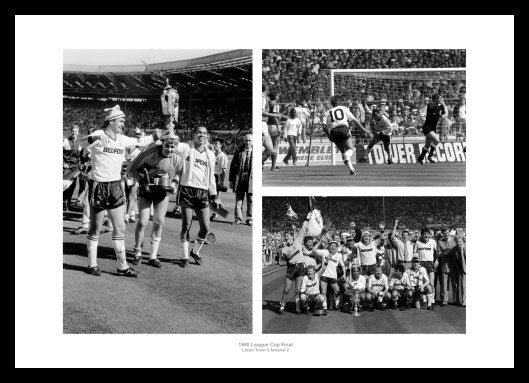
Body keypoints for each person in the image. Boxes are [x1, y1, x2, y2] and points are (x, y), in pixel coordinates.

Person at [78, 105, 160, 277]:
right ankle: (92, 264)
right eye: (121, 121)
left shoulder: (122, 139)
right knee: (95, 228)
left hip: (116, 187)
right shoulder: (99, 135)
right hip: (99, 186)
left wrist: (155, 136)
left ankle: (122, 265)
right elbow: (81, 143)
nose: (123, 124)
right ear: (112, 121)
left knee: (120, 227)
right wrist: (90, 140)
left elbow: (139, 141)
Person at [127, 131, 182, 268]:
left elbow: (180, 172)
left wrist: (174, 183)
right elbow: (131, 169)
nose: (169, 149)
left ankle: (153, 256)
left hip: (162, 191)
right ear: (162, 143)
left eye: (173, 147)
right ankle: (137, 252)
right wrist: (144, 182)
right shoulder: (148, 152)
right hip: (146, 190)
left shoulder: (177, 157)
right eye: (167, 146)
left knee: (159, 222)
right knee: (143, 221)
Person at [175, 126, 220, 267]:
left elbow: (211, 176)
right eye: (199, 133)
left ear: (207, 136)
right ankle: (184, 256)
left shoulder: (211, 155)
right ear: (194, 135)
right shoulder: (186, 148)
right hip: (187, 190)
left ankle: (195, 251)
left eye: (205, 133)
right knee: (186, 225)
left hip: (202, 192)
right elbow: (173, 142)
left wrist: (215, 195)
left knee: (205, 228)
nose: (202, 135)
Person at [322, 95, 371, 175]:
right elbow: (354, 119)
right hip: (343, 129)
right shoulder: (344, 108)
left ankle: (352, 170)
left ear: (332, 103)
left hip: (333, 132)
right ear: (339, 102)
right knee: (350, 150)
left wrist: (329, 137)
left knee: (343, 152)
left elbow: (324, 126)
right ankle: (347, 157)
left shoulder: (327, 112)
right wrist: (362, 129)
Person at [278, 217, 311, 315]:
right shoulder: (283, 249)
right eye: (285, 237)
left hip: (300, 268)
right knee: (287, 289)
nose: (286, 238)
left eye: (288, 236)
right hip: (291, 269)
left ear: (292, 237)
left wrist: (306, 219)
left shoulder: (298, 241)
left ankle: (297, 309)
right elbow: (280, 263)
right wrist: (288, 262)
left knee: (298, 290)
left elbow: (302, 229)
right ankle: (282, 306)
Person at [310, 239, 346, 313]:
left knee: (337, 291)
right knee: (323, 292)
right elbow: (313, 250)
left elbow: (342, 266)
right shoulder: (324, 252)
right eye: (331, 245)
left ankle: (337, 306)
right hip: (324, 275)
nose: (332, 247)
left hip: (333, 276)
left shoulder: (338, 255)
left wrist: (344, 274)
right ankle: (324, 307)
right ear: (329, 246)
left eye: (334, 246)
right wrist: (320, 241)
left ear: (337, 248)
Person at [417, 94, 448, 164]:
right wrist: (439, 102)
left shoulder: (441, 106)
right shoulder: (430, 105)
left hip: (433, 128)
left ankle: (420, 158)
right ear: (434, 99)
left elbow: (445, 114)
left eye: (441, 98)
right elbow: (433, 105)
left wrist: (443, 114)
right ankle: (430, 156)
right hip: (427, 127)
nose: (440, 99)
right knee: (437, 140)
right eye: (438, 98)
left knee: (427, 145)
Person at [229, 134, 253, 225]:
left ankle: (250, 218)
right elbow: (232, 167)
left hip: (251, 180)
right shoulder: (238, 152)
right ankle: (238, 218)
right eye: (246, 140)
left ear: (252, 142)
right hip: (239, 180)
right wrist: (231, 180)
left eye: (249, 141)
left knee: (251, 200)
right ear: (244, 141)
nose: (247, 142)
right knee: (239, 200)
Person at [414, 227, 438, 308]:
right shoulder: (417, 242)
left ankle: (432, 300)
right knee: (422, 283)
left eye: (427, 234)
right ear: (422, 235)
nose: (426, 235)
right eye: (424, 234)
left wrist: (437, 261)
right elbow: (415, 253)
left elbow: (436, 253)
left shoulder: (433, 242)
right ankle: (424, 300)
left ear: (429, 235)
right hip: (421, 264)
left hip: (430, 263)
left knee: (431, 283)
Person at [63, 125, 82, 210]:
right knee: (66, 185)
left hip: (76, 167)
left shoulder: (81, 142)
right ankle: (65, 203)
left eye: (76, 131)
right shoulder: (65, 140)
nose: (74, 133)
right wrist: (63, 163)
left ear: (78, 132)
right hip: (67, 166)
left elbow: (82, 155)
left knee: (73, 186)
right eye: (73, 131)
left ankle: (69, 202)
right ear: (71, 131)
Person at [211, 138, 228, 220]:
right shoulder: (212, 154)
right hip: (211, 176)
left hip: (217, 176)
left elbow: (224, 170)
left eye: (216, 144)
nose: (214, 145)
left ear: (221, 145)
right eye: (214, 143)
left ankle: (216, 212)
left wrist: (222, 181)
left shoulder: (223, 156)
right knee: (211, 195)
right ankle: (218, 208)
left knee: (216, 196)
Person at [267, 92, 282, 171]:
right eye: (278, 95)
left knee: (267, 146)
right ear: (275, 96)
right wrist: (278, 127)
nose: (278, 96)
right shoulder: (275, 104)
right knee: (275, 146)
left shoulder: (267, 103)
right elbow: (275, 116)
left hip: (266, 126)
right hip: (273, 126)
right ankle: (273, 166)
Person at [451, 236, 466, 307]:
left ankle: (464, 302)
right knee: (462, 285)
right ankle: (462, 302)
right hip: (461, 269)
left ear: (463, 241)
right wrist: (459, 271)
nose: (458, 243)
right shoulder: (454, 250)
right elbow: (455, 262)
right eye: (457, 242)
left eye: (460, 241)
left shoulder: (466, 248)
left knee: (465, 286)